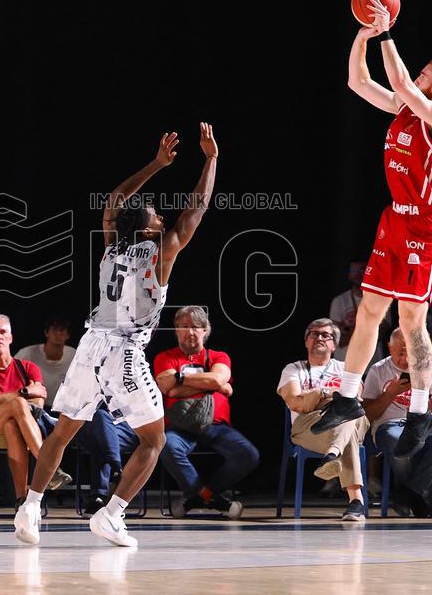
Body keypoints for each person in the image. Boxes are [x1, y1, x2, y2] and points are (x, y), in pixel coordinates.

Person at [14, 123, 219, 547]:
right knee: (155, 439)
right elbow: (195, 209)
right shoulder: (161, 252)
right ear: (144, 227)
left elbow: (114, 200)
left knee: (63, 431)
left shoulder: (111, 244)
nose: (160, 216)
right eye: (154, 214)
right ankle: (111, 514)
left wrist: (156, 165)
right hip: (124, 348)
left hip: (91, 345)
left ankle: (29, 507)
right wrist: (211, 159)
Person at [314, 1, 432, 467]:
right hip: (393, 219)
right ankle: (347, 394)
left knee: (411, 321)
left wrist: (386, 32)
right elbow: (357, 82)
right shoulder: (404, 109)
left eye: (422, 76)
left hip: (425, 222)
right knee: (368, 313)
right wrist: (364, 34)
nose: (413, 78)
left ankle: (420, 410)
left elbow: (400, 82)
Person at [154, 306, 258, 519]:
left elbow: (218, 379)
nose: (190, 331)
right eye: (184, 326)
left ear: (205, 330)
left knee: (248, 454)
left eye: (196, 327)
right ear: (176, 330)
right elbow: (167, 388)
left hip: (216, 426)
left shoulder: (219, 356)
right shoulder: (164, 357)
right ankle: (212, 498)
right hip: (180, 427)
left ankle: (198, 496)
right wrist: (212, 385)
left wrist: (180, 379)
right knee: (167, 445)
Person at [0, 314, 71, 503]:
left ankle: (21, 500)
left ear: (10, 337)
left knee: (12, 426)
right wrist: (23, 392)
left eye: (2, 332)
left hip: (23, 425)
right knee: (18, 404)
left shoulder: (28, 367)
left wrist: (10, 400)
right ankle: (49, 466)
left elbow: (39, 402)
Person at [277, 319, 369, 521]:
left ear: (334, 345)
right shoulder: (293, 369)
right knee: (348, 421)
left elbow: (357, 396)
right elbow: (295, 403)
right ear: (306, 342)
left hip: (346, 417)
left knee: (349, 413)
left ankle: (332, 454)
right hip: (309, 426)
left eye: (326, 335)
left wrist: (317, 394)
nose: (319, 338)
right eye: (314, 334)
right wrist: (333, 396)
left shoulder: (346, 368)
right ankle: (356, 502)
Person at [362, 328, 432, 517]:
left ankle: (407, 494)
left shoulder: (429, 370)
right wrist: (390, 394)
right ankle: (415, 496)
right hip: (389, 424)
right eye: (401, 351)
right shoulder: (378, 370)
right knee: (398, 442)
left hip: (424, 425)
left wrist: (426, 394)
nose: (406, 356)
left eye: (411, 350)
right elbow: (368, 415)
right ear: (389, 347)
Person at [329, 257, 391, 365]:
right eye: (354, 270)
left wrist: (349, 331)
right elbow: (338, 338)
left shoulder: (380, 299)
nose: (359, 274)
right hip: (342, 364)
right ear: (348, 274)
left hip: (371, 365)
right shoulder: (339, 301)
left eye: (363, 270)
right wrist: (367, 330)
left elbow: (380, 333)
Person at [15, 315, 76, 409]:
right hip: (33, 406)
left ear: (68, 335)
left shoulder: (75, 356)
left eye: (62, 330)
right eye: (54, 329)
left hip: (63, 410)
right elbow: (10, 375)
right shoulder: (26, 354)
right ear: (46, 332)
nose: (59, 333)